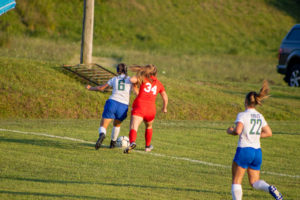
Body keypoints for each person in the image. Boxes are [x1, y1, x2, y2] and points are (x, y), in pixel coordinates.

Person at [227, 80, 283, 200]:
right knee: (254, 182)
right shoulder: (259, 116)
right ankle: (270, 188)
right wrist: (256, 135)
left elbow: (237, 131)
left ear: (246, 102)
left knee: (236, 180)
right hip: (257, 152)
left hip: (244, 150)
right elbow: (268, 133)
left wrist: (230, 131)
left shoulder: (242, 115)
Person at [124, 64, 168, 153]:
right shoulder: (159, 83)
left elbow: (132, 80)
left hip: (140, 107)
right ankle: (147, 147)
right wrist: (164, 107)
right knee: (149, 126)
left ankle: (132, 142)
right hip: (151, 109)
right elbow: (165, 96)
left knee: (134, 126)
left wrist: (140, 73)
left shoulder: (143, 78)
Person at [86, 63, 132, 149]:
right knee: (117, 124)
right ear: (126, 70)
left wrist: (90, 88)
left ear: (117, 70)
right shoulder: (130, 80)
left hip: (112, 102)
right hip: (123, 105)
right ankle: (113, 143)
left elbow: (101, 88)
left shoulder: (114, 79)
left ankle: (102, 135)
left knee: (103, 125)